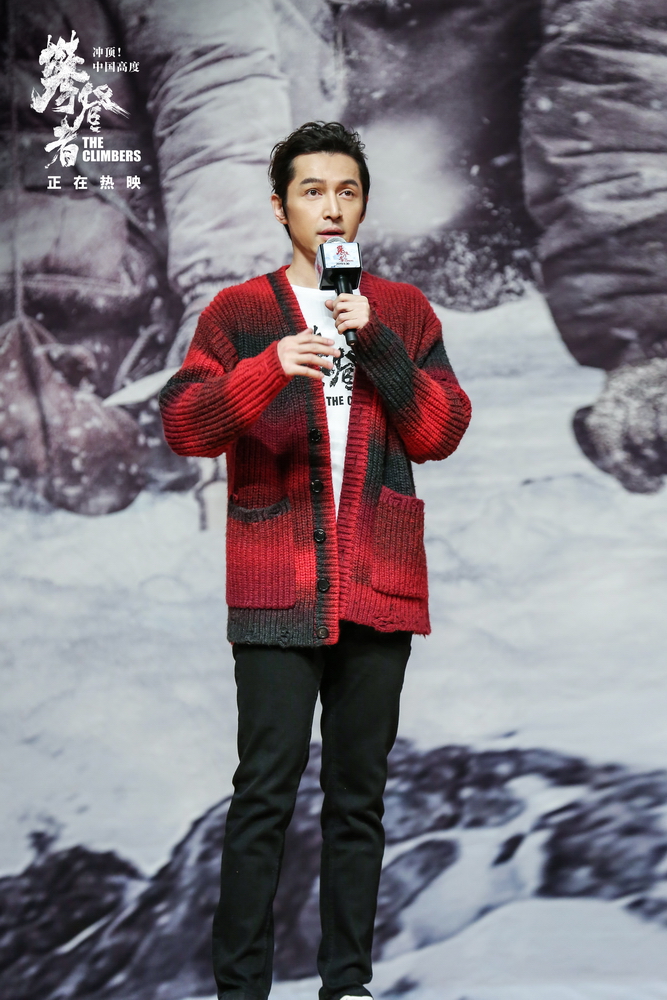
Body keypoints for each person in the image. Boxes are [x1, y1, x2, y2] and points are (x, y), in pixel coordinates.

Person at [159, 121, 471, 1000]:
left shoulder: (402, 309)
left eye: (346, 191)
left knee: (358, 798)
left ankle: (347, 986)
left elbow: (439, 432)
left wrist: (378, 344)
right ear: (279, 207)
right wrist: (268, 368)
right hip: (275, 587)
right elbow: (184, 426)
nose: (331, 207)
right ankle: (240, 989)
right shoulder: (238, 314)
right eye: (311, 191)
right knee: (263, 794)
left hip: (378, 581)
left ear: (362, 205)